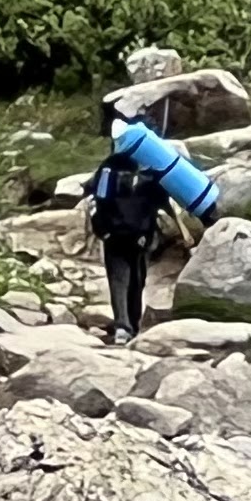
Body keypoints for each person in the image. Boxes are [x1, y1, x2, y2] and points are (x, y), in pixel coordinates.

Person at [87, 125, 169, 342]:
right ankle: (131, 325)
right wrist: (148, 233)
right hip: (141, 236)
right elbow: (155, 206)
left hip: (114, 235)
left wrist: (102, 230)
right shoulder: (152, 173)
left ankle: (124, 326)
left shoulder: (108, 169)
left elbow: (97, 199)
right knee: (137, 281)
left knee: (119, 280)